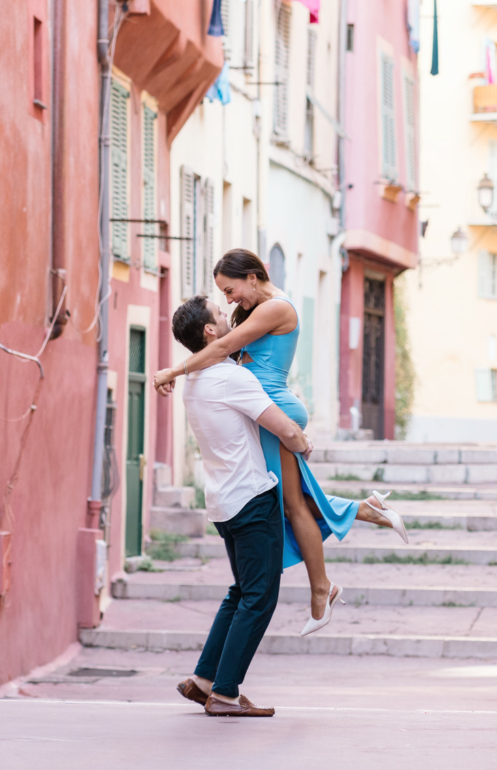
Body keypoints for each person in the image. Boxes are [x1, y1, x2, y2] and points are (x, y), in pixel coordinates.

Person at [155, 249, 407, 637]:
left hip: (275, 408)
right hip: (271, 407)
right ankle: (365, 516)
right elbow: (231, 352)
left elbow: (222, 349)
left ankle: (322, 591)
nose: (229, 300)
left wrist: (171, 370)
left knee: (291, 504)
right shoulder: (261, 310)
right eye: (222, 295)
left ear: (252, 277)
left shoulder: (276, 307)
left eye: (230, 289)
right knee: (295, 502)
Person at [169, 295, 308, 717]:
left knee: (241, 592)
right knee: (259, 597)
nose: (228, 316)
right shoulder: (232, 378)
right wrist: (302, 442)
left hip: (225, 502)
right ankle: (226, 693)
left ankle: (204, 679)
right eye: (219, 314)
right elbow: (283, 426)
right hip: (251, 498)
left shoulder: (196, 381)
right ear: (211, 332)